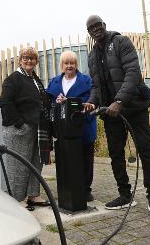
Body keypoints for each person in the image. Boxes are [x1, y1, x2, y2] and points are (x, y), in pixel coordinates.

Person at [83, 15, 150, 217]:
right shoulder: (92, 55)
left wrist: (119, 101)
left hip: (133, 107)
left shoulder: (121, 42)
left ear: (104, 25)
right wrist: (93, 102)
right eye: (91, 27)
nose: (96, 29)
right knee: (115, 154)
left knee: (145, 150)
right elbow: (95, 85)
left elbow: (132, 72)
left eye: (98, 25)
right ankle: (125, 194)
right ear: (89, 32)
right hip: (110, 114)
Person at [0, 47, 52, 211]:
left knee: (36, 163)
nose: (29, 61)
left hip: (36, 129)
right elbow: (5, 102)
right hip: (19, 130)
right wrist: (19, 123)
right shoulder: (13, 79)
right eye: (25, 58)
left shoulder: (35, 80)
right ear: (20, 60)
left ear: (36, 61)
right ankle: (17, 199)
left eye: (32, 58)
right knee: (18, 166)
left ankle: (33, 195)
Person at [46, 50, 97, 202]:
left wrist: (72, 101)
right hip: (63, 129)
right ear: (62, 65)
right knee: (67, 160)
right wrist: (57, 102)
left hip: (84, 126)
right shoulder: (54, 82)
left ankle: (86, 189)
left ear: (76, 64)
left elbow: (92, 99)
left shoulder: (87, 81)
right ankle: (68, 188)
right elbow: (49, 103)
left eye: (72, 63)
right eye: (66, 63)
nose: (69, 66)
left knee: (86, 159)